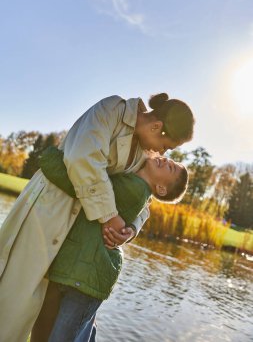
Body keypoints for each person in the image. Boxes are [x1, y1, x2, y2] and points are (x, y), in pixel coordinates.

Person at [0, 93, 194, 342]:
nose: (160, 152)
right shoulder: (112, 110)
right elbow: (83, 160)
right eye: (166, 146)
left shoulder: (143, 152)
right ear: (156, 127)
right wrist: (110, 216)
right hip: (48, 209)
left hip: (78, 228)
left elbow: (145, 200)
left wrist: (131, 228)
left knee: (41, 307)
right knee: (15, 297)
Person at [31, 146, 188, 342]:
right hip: (79, 269)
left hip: (87, 277)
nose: (166, 160)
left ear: (162, 189)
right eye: (169, 160)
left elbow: (85, 186)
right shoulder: (133, 178)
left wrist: (49, 158)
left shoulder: (134, 189)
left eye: (170, 168)